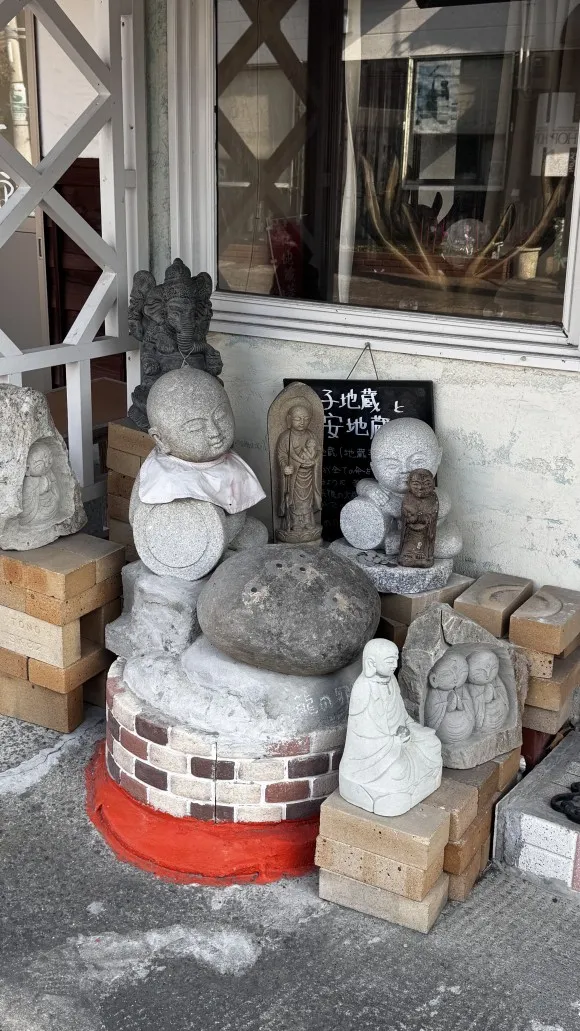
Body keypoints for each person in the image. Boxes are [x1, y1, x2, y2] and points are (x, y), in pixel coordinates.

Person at [339, 638, 442, 817]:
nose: (395, 665)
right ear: (371, 663)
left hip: (398, 739)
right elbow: (363, 733)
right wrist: (394, 741)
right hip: (374, 752)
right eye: (389, 661)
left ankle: (414, 784)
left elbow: (401, 714)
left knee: (433, 743)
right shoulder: (363, 688)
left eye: (396, 659)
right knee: (397, 771)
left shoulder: (391, 680)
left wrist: (411, 728)